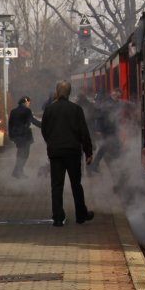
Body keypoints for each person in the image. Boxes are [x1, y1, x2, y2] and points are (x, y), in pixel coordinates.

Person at [40, 80, 94, 227]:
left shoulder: (49, 110)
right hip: (73, 152)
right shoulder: (76, 109)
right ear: (70, 93)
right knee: (76, 184)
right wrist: (88, 152)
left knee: (56, 185)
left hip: (55, 152)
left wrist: (51, 143)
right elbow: (84, 132)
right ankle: (81, 215)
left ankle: (58, 217)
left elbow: (44, 130)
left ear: (57, 92)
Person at [90, 88, 123, 173]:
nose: (118, 98)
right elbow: (100, 116)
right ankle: (118, 165)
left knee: (105, 147)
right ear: (114, 94)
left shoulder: (114, 103)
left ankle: (96, 164)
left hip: (111, 129)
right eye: (118, 96)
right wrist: (99, 129)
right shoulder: (108, 103)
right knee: (107, 146)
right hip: (107, 129)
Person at [8, 96, 40, 179]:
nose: (29, 104)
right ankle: (17, 172)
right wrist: (43, 125)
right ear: (26, 102)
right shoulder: (27, 110)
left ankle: (19, 172)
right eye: (29, 102)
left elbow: (10, 124)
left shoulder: (13, 111)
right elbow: (32, 120)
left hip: (16, 136)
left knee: (20, 153)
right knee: (24, 155)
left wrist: (11, 136)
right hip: (25, 136)